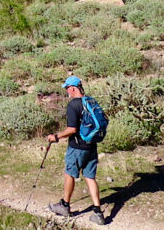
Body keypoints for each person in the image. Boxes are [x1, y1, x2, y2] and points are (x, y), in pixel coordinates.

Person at [46, 76, 106, 225]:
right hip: (91, 146)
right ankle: (98, 212)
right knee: (90, 177)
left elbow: (72, 129)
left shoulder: (73, 105)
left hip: (77, 147)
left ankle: (65, 205)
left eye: (67, 88)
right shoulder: (90, 101)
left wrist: (56, 136)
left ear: (73, 88)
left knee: (69, 175)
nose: (67, 92)